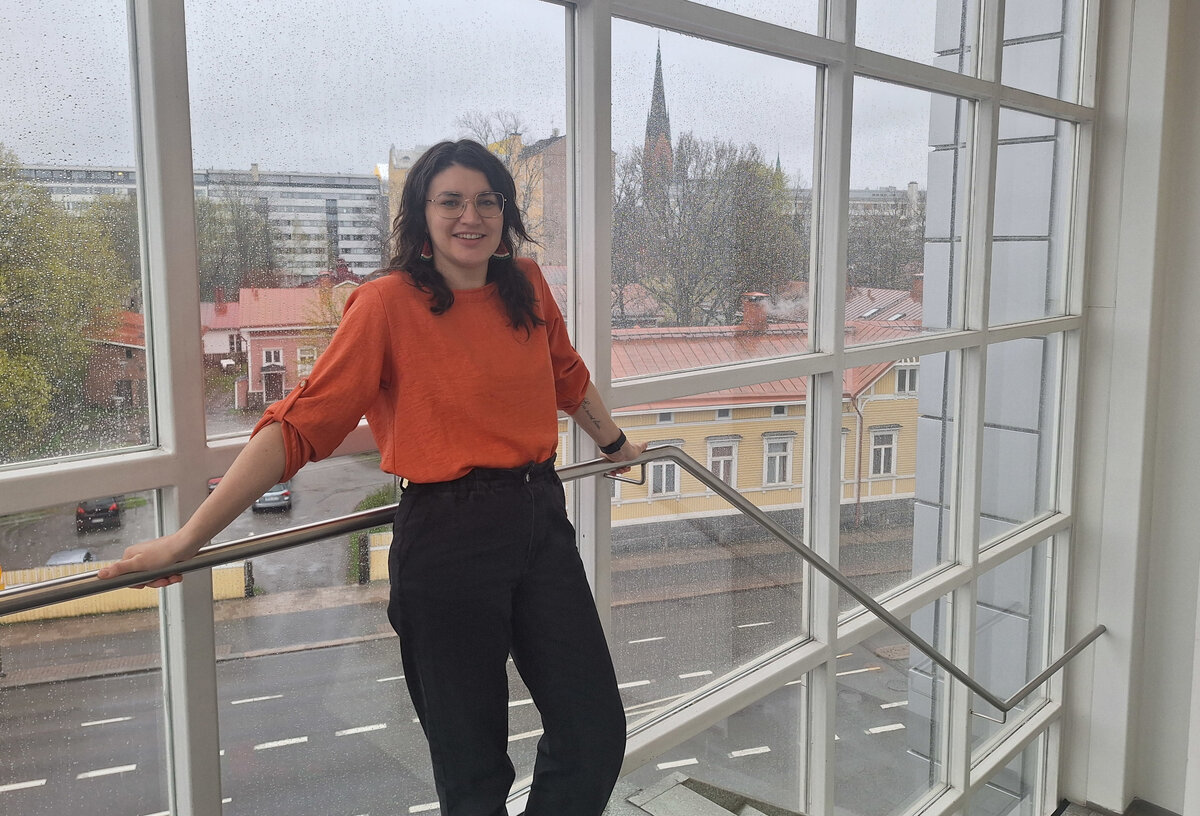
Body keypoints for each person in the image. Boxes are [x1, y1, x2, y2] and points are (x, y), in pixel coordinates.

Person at [98, 138, 646, 816]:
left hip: (540, 518)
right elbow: (300, 425)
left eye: (487, 200)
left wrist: (615, 443)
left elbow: (566, 374)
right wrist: (188, 540)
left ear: (505, 211)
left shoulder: (526, 284)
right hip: (447, 538)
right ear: (421, 215)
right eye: (451, 201)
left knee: (594, 731)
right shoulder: (385, 304)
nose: (471, 216)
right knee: (474, 773)